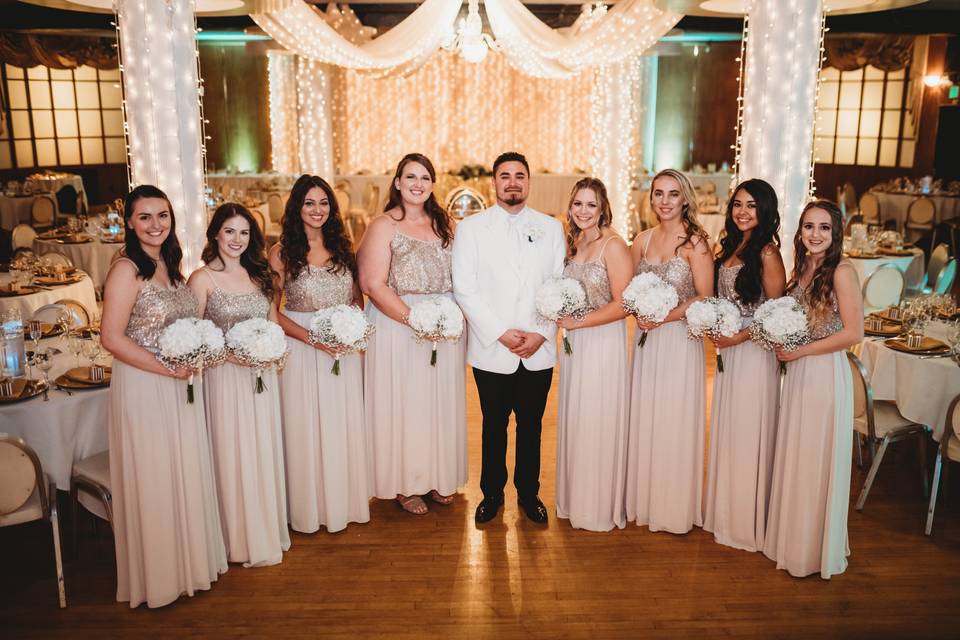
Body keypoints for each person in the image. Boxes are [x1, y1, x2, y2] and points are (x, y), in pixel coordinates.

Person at [101, 185, 227, 608]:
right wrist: (167, 369)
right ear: (130, 223)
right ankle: (159, 578)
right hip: (144, 384)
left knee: (183, 468)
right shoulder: (126, 269)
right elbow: (112, 339)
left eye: (163, 216)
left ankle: (188, 565)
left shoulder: (171, 267)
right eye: (145, 217)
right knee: (155, 474)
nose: (155, 225)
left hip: (179, 381)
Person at [452, 151, 565, 524]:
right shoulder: (470, 229)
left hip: (538, 347)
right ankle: (491, 493)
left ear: (529, 182)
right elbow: (464, 289)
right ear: (494, 182)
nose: (512, 182)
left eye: (519, 175)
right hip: (492, 349)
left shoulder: (551, 228)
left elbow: (559, 287)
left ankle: (529, 494)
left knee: (531, 427)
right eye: (505, 176)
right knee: (493, 424)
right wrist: (500, 333)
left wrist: (542, 333)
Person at [358, 153, 467, 515]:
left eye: (424, 178)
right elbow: (372, 283)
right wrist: (414, 319)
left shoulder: (445, 224)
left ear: (433, 185)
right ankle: (406, 482)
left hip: (442, 329)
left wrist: (445, 320)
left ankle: (436, 475)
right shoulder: (384, 225)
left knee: (437, 404)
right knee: (405, 406)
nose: (417, 184)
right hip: (398, 327)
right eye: (410, 177)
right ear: (398, 183)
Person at [762, 200, 862, 579]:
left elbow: (853, 334)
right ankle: (792, 540)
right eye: (808, 227)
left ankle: (812, 551)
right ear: (800, 231)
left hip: (823, 374)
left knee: (816, 459)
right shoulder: (803, 267)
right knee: (797, 455)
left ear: (835, 234)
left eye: (824, 228)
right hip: (800, 374)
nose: (815, 235)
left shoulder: (842, 272)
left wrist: (800, 350)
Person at [188, 203, 290, 566]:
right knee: (232, 453)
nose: (237, 239)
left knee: (260, 451)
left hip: (261, 377)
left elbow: (274, 321)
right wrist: (233, 356)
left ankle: (262, 528)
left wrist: (271, 349)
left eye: (244, 232)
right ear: (215, 233)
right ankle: (234, 538)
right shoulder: (201, 280)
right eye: (229, 231)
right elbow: (193, 338)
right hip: (224, 381)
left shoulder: (260, 276)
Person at [269, 175, 371, 533]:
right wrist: (314, 338)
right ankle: (307, 508)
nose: (317, 210)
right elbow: (272, 312)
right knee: (306, 426)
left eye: (324, 203)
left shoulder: (344, 248)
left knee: (340, 424)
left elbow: (357, 300)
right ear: (297, 207)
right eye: (309, 203)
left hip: (341, 349)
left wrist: (352, 332)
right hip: (302, 349)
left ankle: (342, 502)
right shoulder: (282, 253)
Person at [625, 168, 714, 534]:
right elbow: (627, 291)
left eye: (672, 194)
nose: (664, 201)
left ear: (685, 199)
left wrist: (662, 315)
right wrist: (639, 310)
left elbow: (705, 297)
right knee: (647, 417)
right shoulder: (641, 241)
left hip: (679, 339)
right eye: (658, 193)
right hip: (647, 343)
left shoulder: (696, 243)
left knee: (674, 420)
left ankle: (673, 506)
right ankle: (645, 498)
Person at [703, 179, 786, 552]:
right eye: (737, 204)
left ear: (765, 210)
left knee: (748, 431)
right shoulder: (732, 246)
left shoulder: (767, 253)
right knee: (729, 429)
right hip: (730, 356)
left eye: (751, 206)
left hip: (754, 354)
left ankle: (745, 521)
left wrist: (738, 336)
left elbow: (776, 314)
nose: (742, 212)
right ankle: (725, 514)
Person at [555, 178, 632, 531]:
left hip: (601, 343)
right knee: (577, 418)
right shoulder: (574, 242)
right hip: (575, 345)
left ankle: (597, 505)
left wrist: (579, 321)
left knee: (597, 418)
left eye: (591, 205)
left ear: (603, 209)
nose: (583, 211)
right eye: (578, 204)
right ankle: (575, 499)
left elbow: (624, 304)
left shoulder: (613, 246)